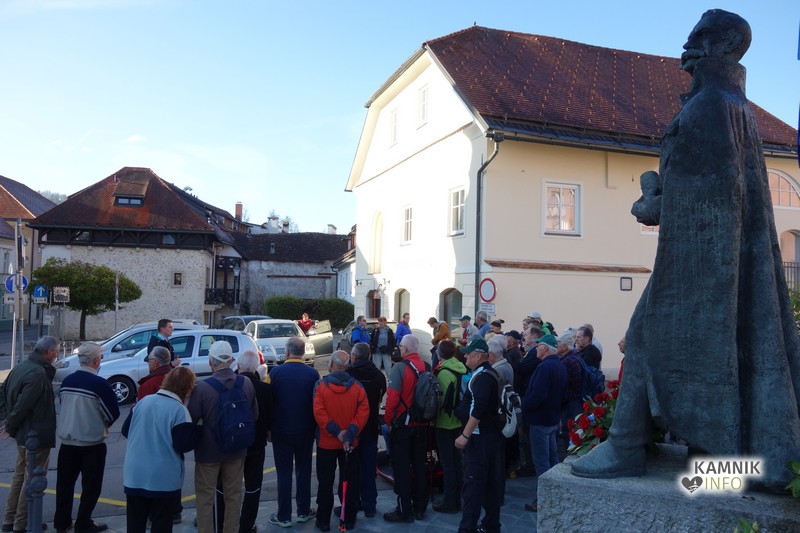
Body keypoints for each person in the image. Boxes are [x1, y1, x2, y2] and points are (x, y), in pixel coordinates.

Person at [573, 10, 800, 490]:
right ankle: (710, 453)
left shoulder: (709, 106)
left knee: (642, 338)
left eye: (700, 37)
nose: (687, 45)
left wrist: (653, 204)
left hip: (698, 265)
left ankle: (627, 447)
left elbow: (711, 196)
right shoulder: (734, 106)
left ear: (725, 45)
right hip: (719, 261)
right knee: (721, 347)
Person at [188, 341, 258, 533]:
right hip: (237, 450)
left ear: (211, 362)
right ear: (232, 360)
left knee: (205, 498)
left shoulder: (202, 388)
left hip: (208, 453)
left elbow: (191, 419)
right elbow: (254, 415)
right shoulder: (246, 383)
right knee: (233, 496)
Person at [123, 367, 202, 533]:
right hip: (162, 478)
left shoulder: (144, 402)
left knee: (135, 523)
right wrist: (199, 428)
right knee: (161, 523)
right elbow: (183, 444)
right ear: (188, 388)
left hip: (135, 474)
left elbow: (125, 430)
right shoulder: (179, 410)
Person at [54, 342, 120, 533]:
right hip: (91, 443)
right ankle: (83, 523)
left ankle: (62, 523)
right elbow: (112, 413)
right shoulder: (99, 384)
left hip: (67, 442)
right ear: (96, 360)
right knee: (91, 487)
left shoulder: (68, 381)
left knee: (64, 485)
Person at [2, 336, 59, 533]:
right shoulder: (37, 373)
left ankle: (9, 520)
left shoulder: (23, 366)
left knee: (20, 475)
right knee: (32, 478)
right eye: (56, 350)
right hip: (34, 433)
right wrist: (9, 424)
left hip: (23, 433)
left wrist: (9, 422)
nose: (57, 354)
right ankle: (22, 523)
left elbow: (4, 393)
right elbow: (24, 404)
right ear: (49, 352)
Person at [215, 350, 273, 533]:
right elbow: (268, 417)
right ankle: (247, 525)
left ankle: (223, 522)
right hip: (256, 444)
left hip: (232, 444)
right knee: (253, 486)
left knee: (225, 485)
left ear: (238, 366)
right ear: (256, 367)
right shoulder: (265, 389)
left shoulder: (229, 385)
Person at [267, 337, 321, 527]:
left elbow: (269, 402)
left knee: (284, 473)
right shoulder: (313, 374)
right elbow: (317, 403)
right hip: (305, 430)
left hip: (281, 430)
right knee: (303, 471)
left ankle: (283, 516)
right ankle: (303, 511)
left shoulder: (274, 373)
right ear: (303, 353)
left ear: (287, 352)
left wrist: (269, 428)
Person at [313, 351, 369, 532]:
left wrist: (336, 432)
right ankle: (348, 519)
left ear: (331, 364)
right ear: (348, 366)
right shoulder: (358, 387)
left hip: (326, 442)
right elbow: (363, 413)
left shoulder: (320, 386)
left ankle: (323, 520)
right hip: (350, 443)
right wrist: (349, 434)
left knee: (325, 482)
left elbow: (319, 412)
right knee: (350, 482)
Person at [454, 338, 503, 533]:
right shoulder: (487, 374)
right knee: (490, 485)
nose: (465, 356)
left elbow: (478, 409)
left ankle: (468, 528)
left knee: (473, 486)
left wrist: (465, 435)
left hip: (480, 440)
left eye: (468, 353)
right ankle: (491, 525)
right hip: (489, 438)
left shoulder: (482, 377)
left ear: (477, 356)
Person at [383, 335, 428, 523]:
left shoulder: (399, 368)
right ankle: (420, 508)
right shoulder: (426, 366)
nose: (399, 349)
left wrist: (388, 421)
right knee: (420, 466)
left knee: (401, 468)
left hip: (403, 425)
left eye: (401, 346)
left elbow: (392, 398)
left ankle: (404, 510)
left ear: (405, 348)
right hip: (422, 425)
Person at [522, 334, 566, 512]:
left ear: (545, 348)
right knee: (552, 460)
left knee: (542, 462)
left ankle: (544, 500)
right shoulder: (558, 364)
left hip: (540, 420)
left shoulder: (546, 366)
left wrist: (525, 406)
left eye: (538, 346)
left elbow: (538, 395)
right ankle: (554, 495)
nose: (535, 349)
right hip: (552, 418)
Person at [347, 342, 387, 518]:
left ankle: (353, 503)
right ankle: (370, 505)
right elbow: (381, 395)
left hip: (352, 429)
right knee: (369, 469)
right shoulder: (378, 376)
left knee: (351, 469)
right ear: (369, 356)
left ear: (354, 356)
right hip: (370, 427)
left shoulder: (349, 375)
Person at [432, 340, 466, 514]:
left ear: (439, 354)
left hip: (444, 422)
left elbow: (438, 401)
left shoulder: (443, 372)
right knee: (457, 461)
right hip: (459, 421)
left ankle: (450, 501)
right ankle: (458, 497)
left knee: (448, 463)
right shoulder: (461, 367)